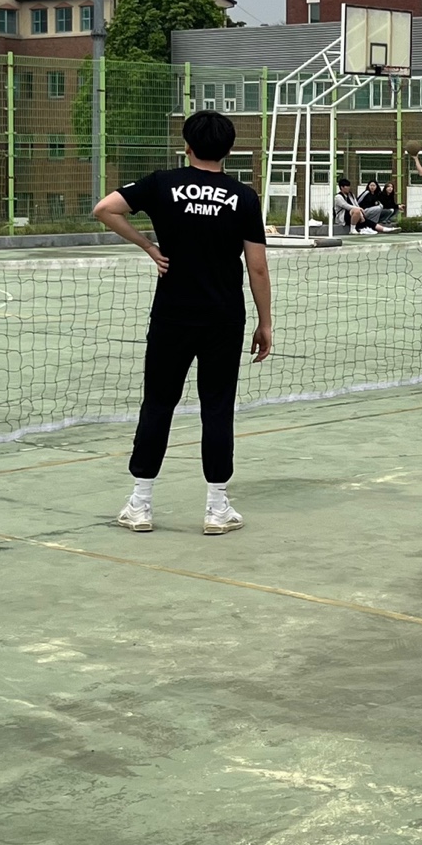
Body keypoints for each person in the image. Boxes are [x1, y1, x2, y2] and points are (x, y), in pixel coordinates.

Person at [92, 110, 272, 536]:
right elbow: (257, 267)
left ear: (186, 146)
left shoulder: (162, 184)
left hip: (172, 315)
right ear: (229, 150)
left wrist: (148, 246)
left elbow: (105, 209)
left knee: (158, 403)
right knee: (217, 407)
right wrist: (265, 323)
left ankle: (140, 505)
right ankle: (217, 508)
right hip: (223, 317)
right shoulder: (244, 197)